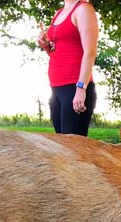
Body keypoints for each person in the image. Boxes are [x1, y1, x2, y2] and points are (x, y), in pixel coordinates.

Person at [37, 1, 99, 136]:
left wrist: (81, 88)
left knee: (74, 150)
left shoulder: (83, 9)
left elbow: (90, 52)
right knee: (62, 149)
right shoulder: (58, 13)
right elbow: (59, 53)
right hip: (56, 89)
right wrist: (46, 46)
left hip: (75, 87)